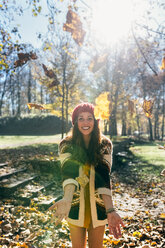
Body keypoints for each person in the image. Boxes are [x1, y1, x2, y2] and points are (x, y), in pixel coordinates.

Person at [49, 102, 124, 248]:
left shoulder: (105, 144)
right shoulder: (66, 144)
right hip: (75, 204)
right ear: (75, 122)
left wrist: (110, 209)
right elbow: (69, 171)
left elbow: (103, 174)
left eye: (89, 118)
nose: (85, 122)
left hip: (98, 206)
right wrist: (67, 199)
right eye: (80, 118)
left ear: (96, 122)